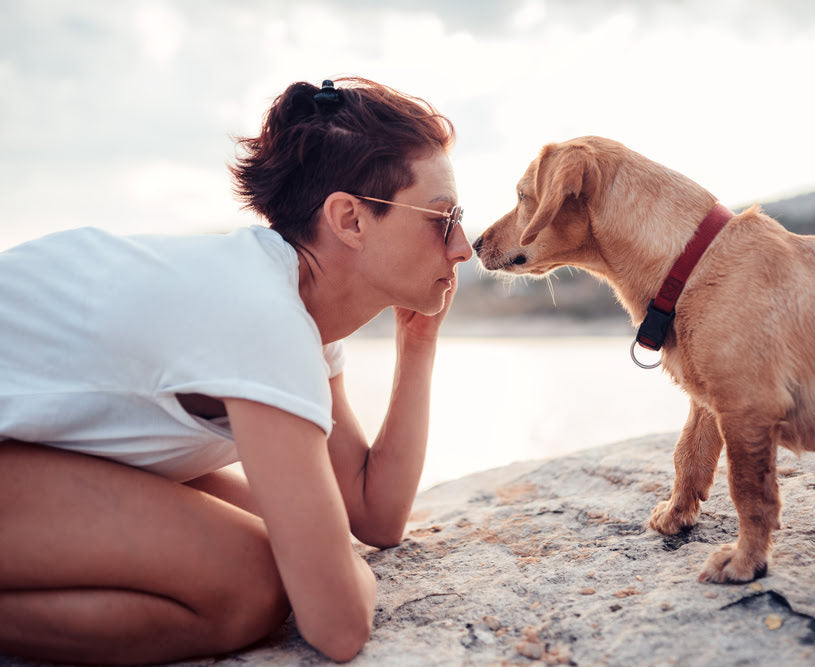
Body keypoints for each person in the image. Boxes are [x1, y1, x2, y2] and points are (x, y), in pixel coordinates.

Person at [0, 76, 471, 664]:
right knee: (250, 584)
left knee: (271, 551)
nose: (462, 247)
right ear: (349, 220)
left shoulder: (290, 311)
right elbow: (340, 627)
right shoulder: (261, 316)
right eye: (440, 216)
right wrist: (339, 570)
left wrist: (418, 343)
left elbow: (373, 513)